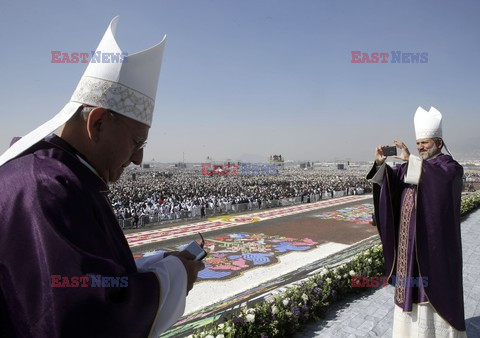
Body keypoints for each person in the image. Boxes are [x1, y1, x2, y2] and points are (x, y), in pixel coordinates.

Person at [0, 17, 204, 337]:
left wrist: (152, 267)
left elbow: (82, 277)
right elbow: (84, 318)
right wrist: (176, 275)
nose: (138, 159)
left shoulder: (64, 178)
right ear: (97, 124)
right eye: (137, 143)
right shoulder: (46, 189)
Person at [367, 106, 466, 337]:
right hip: (408, 248)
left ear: (439, 143)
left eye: (426, 143)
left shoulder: (449, 167)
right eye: (418, 143)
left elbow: (439, 181)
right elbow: (391, 182)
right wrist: (381, 163)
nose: (420, 147)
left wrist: (411, 160)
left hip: (433, 248)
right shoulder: (412, 166)